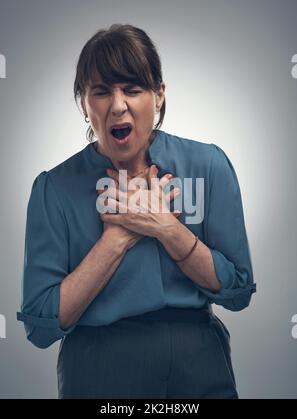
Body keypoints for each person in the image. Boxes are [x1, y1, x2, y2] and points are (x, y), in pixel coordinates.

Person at [17, 23, 256, 399]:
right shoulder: (54, 189)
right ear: (84, 103)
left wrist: (166, 228)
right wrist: (117, 238)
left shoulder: (208, 165)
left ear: (159, 95)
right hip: (98, 372)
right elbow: (41, 326)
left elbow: (238, 292)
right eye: (101, 92)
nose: (117, 105)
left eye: (132, 89)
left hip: (200, 368)